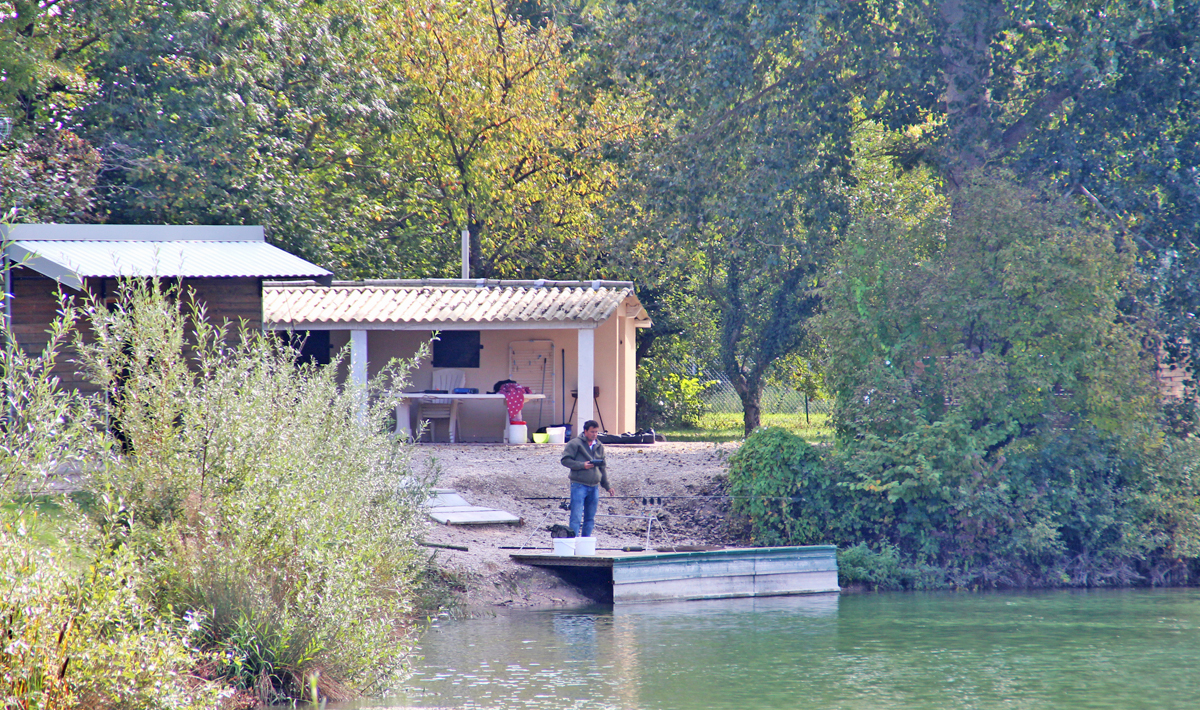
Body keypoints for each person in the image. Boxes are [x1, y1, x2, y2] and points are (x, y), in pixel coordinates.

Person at [560, 419, 615, 537]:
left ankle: (585, 543)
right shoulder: (575, 443)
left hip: (594, 486)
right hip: (579, 485)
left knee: (590, 518)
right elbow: (565, 460)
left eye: (596, 432)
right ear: (585, 431)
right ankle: (572, 543)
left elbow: (602, 467)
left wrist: (607, 486)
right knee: (576, 517)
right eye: (592, 432)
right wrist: (582, 465)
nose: (594, 434)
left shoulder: (599, 446)